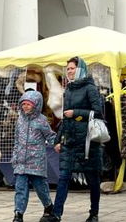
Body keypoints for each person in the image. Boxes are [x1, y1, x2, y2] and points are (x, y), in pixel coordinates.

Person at [46, 57, 103, 222]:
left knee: (93, 179)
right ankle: (56, 214)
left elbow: (98, 113)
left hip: (87, 143)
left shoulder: (90, 88)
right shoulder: (69, 90)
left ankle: (94, 214)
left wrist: (77, 113)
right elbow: (65, 118)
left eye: (72, 68)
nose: (69, 71)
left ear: (80, 69)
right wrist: (57, 140)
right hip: (70, 142)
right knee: (63, 177)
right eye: (68, 69)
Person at [11, 90, 57, 222]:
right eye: (23, 104)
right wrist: (15, 156)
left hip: (36, 162)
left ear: (36, 105)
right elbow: (16, 139)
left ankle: (48, 206)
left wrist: (57, 144)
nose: (25, 106)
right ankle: (18, 214)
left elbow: (50, 135)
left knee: (40, 187)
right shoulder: (20, 120)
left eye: (28, 104)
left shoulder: (42, 121)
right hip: (20, 162)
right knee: (20, 188)